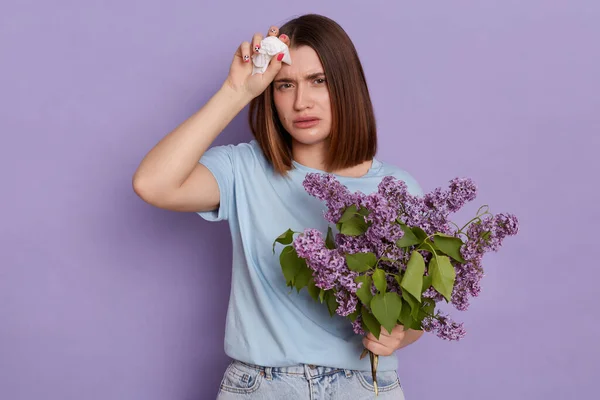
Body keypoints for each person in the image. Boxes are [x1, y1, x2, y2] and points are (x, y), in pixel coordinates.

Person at [133, 13, 424, 400]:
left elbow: (416, 312)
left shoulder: (397, 189)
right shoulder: (244, 169)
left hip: (365, 386)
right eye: (285, 85)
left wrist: (398, 335)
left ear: (346, 85)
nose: (301, 102)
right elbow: (153, 184)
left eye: (318, 81)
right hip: (261, 386)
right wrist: (236, 90)